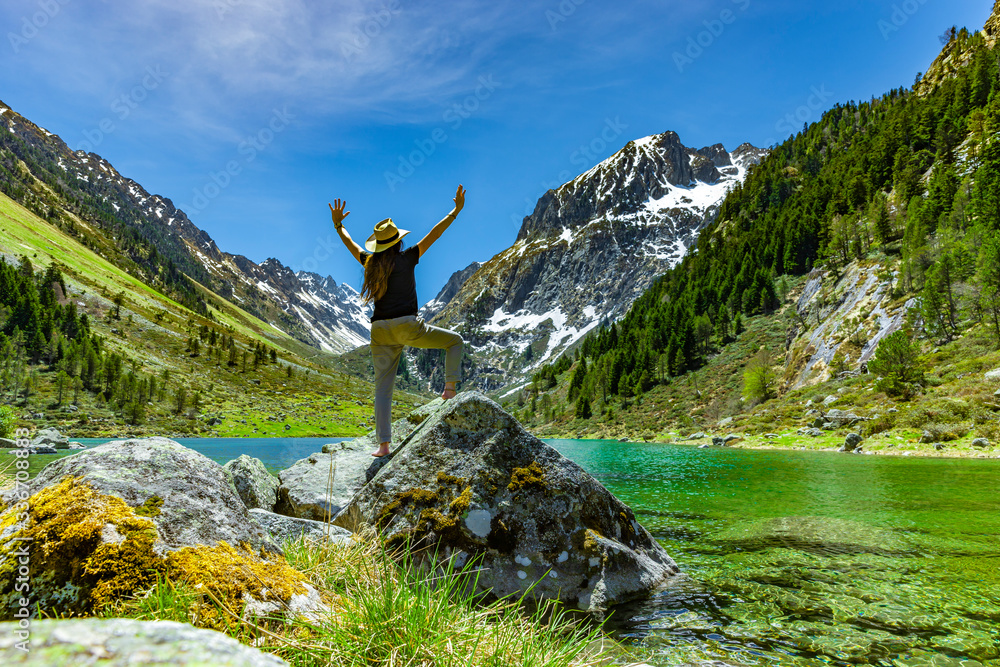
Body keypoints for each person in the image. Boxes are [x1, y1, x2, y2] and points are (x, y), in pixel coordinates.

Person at [330, 185, 466, 457]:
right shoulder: (408, 257)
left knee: (383, 389)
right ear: (399, 240)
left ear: (378, 244)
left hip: (380, 330)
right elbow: (434, 234)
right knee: (455, 341)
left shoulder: (370, 262)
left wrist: (338, 226)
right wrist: (455, 211)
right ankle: (449, 391)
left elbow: (350, 244)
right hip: (407, 325)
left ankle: (383, 446)